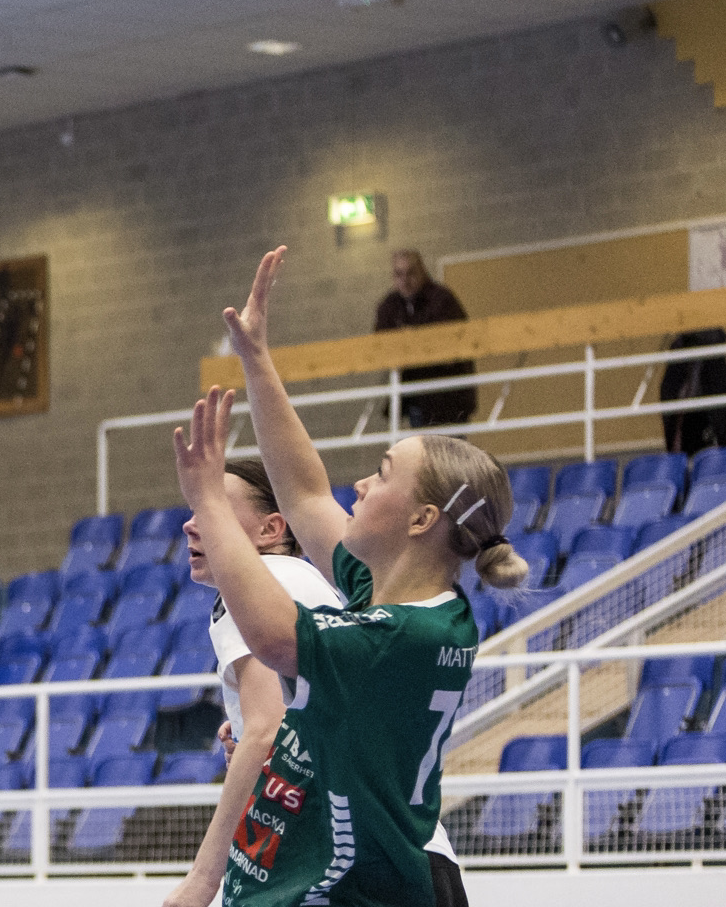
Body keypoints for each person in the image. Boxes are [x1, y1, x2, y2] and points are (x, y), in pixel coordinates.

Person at [179, 246, 524, 907]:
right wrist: (257, 359)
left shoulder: (404, 632)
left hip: (379, 884)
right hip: (361, 875)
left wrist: (210, 501)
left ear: (421, 519)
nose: (360, 483)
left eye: (383, 474)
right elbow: (305, 492)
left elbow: (275, 636)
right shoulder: (395, 597)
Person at [165, 458, 342, 907]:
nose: (190, 524)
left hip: (327, 857)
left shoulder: (261, 582)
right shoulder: (301, 580)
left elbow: (267, 729)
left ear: (271, 529)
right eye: (194, 508)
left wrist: (201, 881)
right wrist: (247, 733)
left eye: (215, 508)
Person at [374, 250, 476, 428]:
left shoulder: (442, 300)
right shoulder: (389, 306)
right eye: (399, 274)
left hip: (448, 395)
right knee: (422, 442)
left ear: (422, 271)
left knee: (449, 444)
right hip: (416, 397)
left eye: (410, 273)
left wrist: (413, 339)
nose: (405, 280)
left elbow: (456, 340)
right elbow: (380, 344)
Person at [660, 328, 726, 454]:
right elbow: (668, 392)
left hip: (711, 415)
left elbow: (721, 385)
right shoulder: (678, 352)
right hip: (687, 417)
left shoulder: (714, 347)